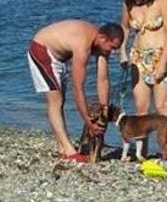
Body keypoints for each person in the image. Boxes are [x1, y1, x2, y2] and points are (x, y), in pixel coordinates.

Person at [28, 19, 124, 162]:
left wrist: (104, 111)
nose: (113, 52)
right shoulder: (83, 46)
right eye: (112, 47)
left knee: (61, 99)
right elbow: (78, 87)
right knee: (56, 100)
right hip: (42, 49)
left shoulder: (101, 44)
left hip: (60, 57)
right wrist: (88, 121)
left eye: (116, 48)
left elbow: (103, 79)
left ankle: (62, 146)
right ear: (103, 38)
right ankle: (68, 151)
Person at [120, 0, 167, 118]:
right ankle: (142, 143)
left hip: (160, 55)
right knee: (141, 109)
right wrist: (122, 51)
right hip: (138, 57)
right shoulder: (128, 3)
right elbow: (124, 27)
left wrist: (163, 63)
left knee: (162, 108)